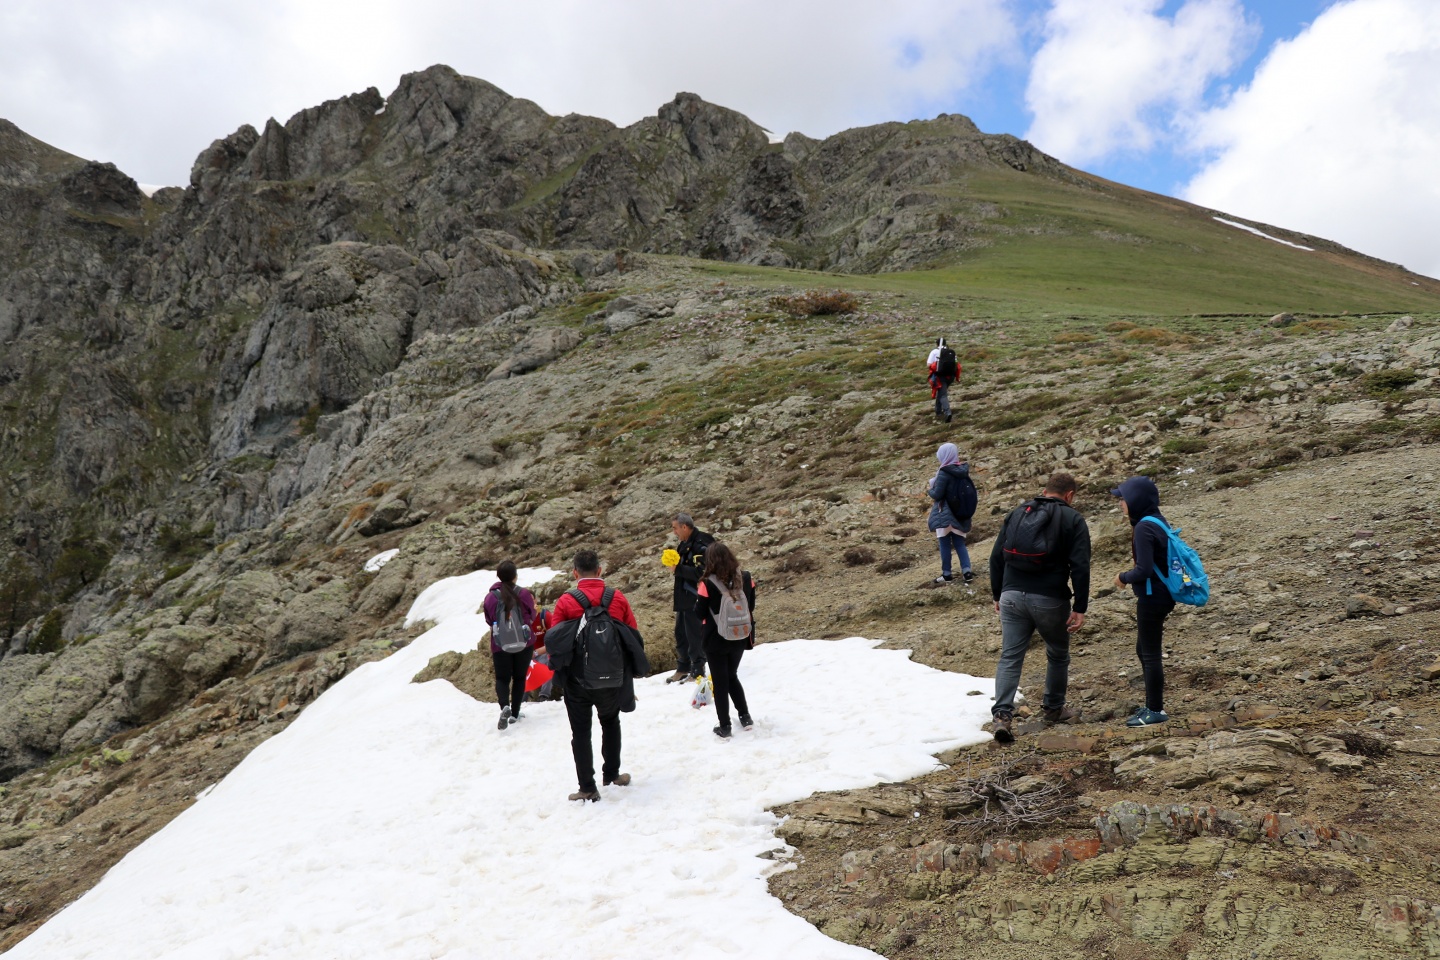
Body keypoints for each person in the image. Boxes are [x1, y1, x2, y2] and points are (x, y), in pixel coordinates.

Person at [988, 472, 1091, 744]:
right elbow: (1080, 566)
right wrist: (1080, 605)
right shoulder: (1073, 519)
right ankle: (1053, 708)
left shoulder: (1017, 512)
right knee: (1057, 653)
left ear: (1045, 490)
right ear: (1069, 495)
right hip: (1049, 598)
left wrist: (998, 593)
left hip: (1011, 595)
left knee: (1010, 655)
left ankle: (1001, 716)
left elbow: (996, 557)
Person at [546, 550, 650, 802]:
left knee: (580, 732)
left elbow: (555, 643)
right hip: (613, 679)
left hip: (577, 681)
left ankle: (587, 787)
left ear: (575, 573)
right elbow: (632, 637)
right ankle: (612, 774)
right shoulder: (617, 598)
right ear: (600, 570)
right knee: (610, 722)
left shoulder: (566, 601)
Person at [1111, 476, 1174, 728]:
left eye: (1123, 499)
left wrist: (1122, 577)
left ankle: (1155, 710)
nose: (1120, 504)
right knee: (1144, 650)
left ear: (1136, 500)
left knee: (1150, 654)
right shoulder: (1157, 521)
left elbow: (1144, 569)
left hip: (1152, 596)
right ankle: (1151, 704)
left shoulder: (1143, 528)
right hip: (1162, 594)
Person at [695, 542, 756, 739]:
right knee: (732, 675)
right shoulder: (745, 577)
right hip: (740, 634)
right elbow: (751, 604)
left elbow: (699, 613)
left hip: (715, 637)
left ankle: (725, 726)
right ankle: (745, 717)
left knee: (720, 682)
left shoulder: (707, 583)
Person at [481, 561, 536, 730]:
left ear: (498, 576)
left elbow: (489, 620)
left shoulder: (491, 597)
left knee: (502, 679)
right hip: (524, 642)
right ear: (515, 575)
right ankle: (515, 713)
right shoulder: (524, 593)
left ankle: (504, 706)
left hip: (500, 644)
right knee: (519, 678)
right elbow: (532, 614)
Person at [666, 513, 713, 683]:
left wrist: (677, 569)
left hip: (696, 596)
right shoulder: (685, 543)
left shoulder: (702, 543)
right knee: (681, 633)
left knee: (694, 634)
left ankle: (698, 670)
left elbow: (703, 572)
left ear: (684, 527)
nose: (674, 532)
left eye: (675, 528)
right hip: (684, 597)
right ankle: (683, 667)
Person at [927, 442, 977, 585]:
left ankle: (947, 574)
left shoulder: (944, 472)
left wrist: (930, 489)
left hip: (945, 513)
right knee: (959, 543)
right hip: (960, 513)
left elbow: (937, 494)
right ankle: (967, 572)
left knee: (944, 543)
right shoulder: (962, 470)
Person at [927, 337, 960, 422]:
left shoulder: (934, 352)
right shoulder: (951, 352)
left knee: (942, 395)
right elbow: (957, 364)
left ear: (937, 344)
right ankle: (938, 411)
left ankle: (947, 413)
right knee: (941, 392)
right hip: (951, 376)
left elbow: (929, 364)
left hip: (940, 376)